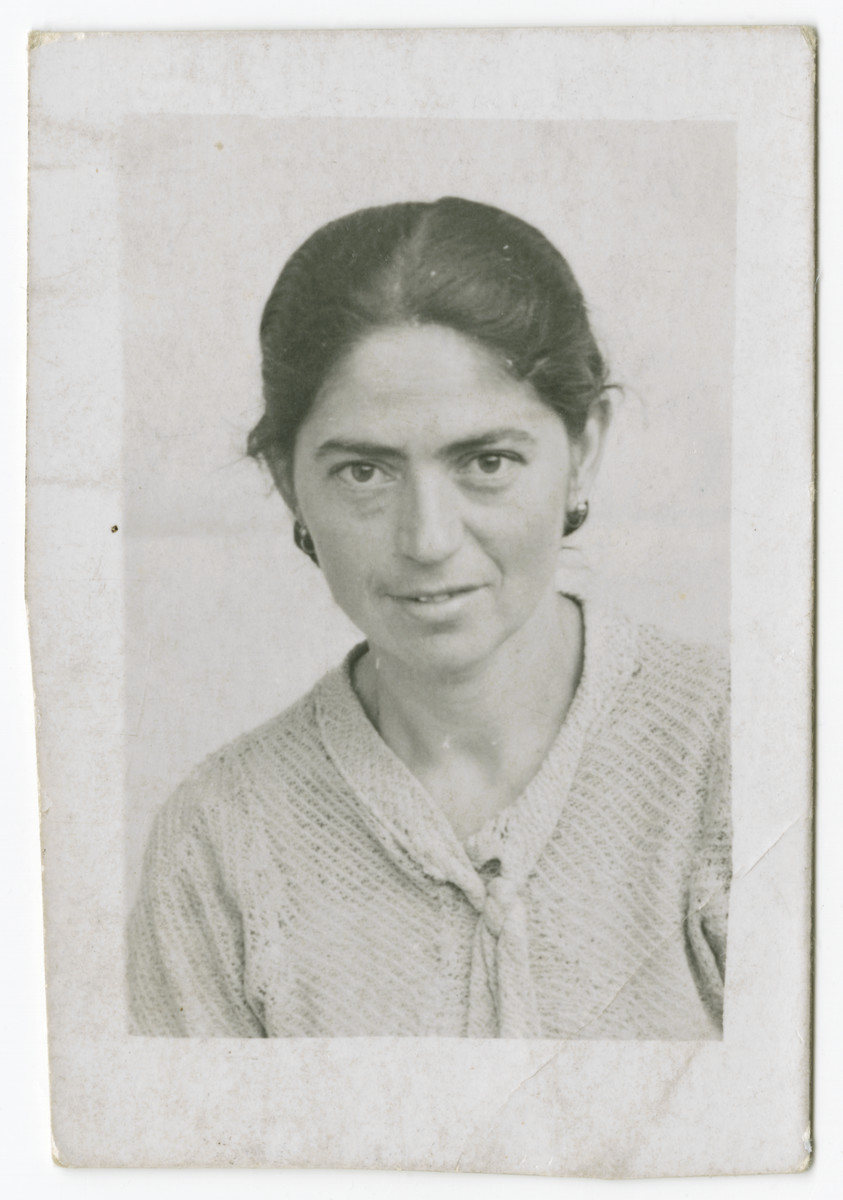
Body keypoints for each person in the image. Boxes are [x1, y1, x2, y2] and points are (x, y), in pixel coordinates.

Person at [127, 197, 730, 1039]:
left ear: (584, 449)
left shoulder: (737, 749)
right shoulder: (218, 838)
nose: (427, 540)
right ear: (283, 478)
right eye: (364, 473)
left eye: (487, 461)